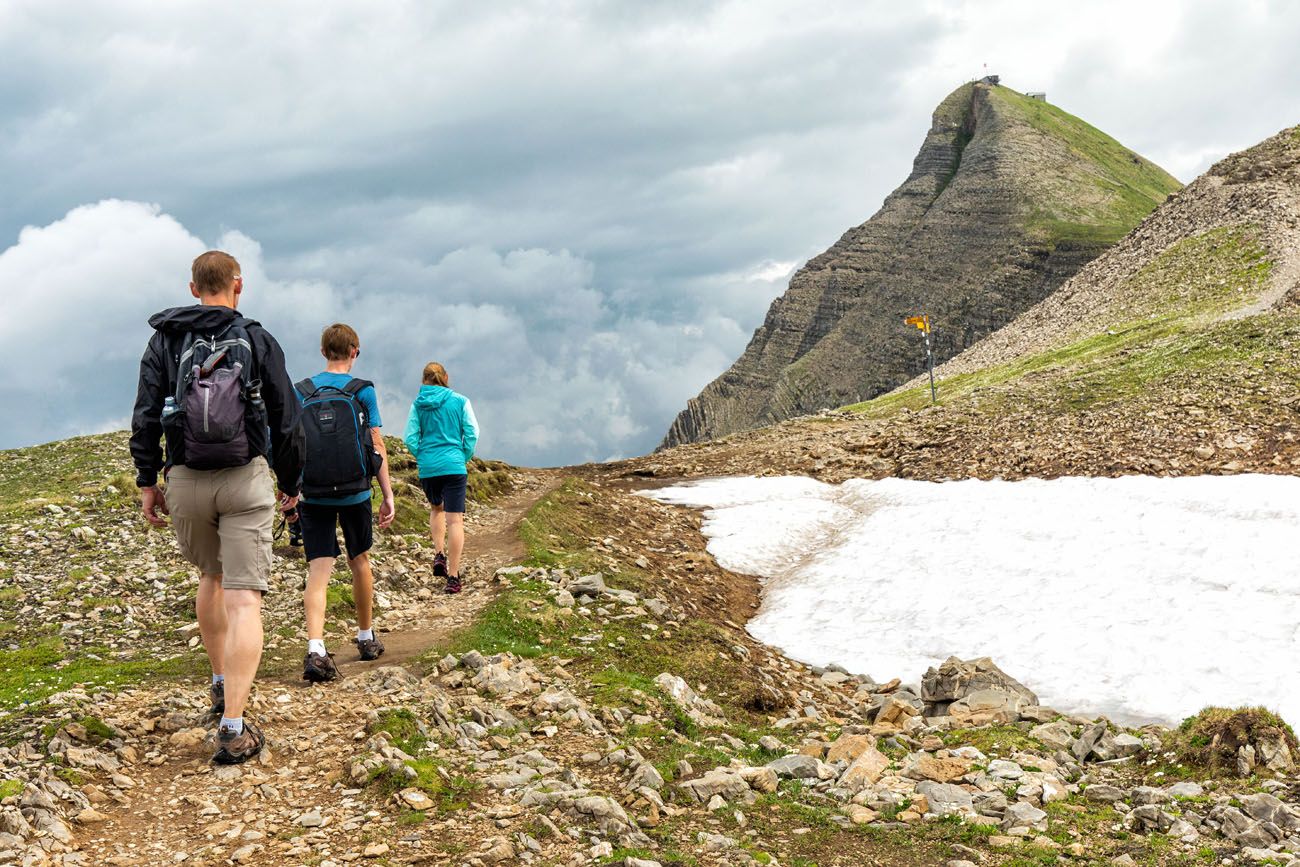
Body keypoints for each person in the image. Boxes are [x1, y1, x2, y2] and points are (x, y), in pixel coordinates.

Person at [130, 250, 303, 765]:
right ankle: (233, 726)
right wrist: (289, 482)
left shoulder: (164, 339)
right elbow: (286, 417)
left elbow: (144, 413)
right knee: (245, 599)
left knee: (211, 577)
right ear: (238, 285)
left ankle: (220, 681)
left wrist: (147, 479)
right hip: (244, 477)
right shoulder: (257, 338)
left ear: (192, 289)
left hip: (184, 478)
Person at [294, 324, 395, 683]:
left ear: (323, 352)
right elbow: (377, 446)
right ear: (355, 351)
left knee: (318, 571)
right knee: (360, 561)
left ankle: (316, 648)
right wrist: (387, 494)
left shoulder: (301, 390)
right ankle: (366, 637)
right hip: (356, 492)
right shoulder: (363, 391)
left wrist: (290, 490)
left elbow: (291, 445)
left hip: (314, 494)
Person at [404, 362, 478, 593]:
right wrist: (462, 455)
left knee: (437, 508)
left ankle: (438, 554)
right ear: (446, 377)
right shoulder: (461, 401)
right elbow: (472, 432)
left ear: (424, 379)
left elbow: (410, 437)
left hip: (429, 466)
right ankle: (453, 577)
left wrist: (423, 455)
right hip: (454, 464)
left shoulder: (418, 404)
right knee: (455, 520)